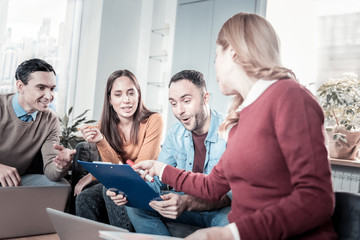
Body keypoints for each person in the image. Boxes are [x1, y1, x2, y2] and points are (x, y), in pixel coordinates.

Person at [134, 13, 337, 240]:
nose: (215, 65)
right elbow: (212, 186)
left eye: (216, 56)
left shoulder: (290, 97)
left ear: (233, 53)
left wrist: (229, 234)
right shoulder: (241, 119)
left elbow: (316, 199)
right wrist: (159, 168)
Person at [115, 70, 231, 236]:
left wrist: (188, 202)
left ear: (205, 98)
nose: (180, 111)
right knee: (136, 207)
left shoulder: (230, 131)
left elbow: (231, 194)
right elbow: (156, 179)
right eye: (174, 104)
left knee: (232, 222)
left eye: (186, 101)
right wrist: (128, 190)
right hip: (185, 203)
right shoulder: (176, 132)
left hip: (219, 209)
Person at [74, 69, 163, 231]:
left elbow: (138, 170)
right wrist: (68, 153)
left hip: (146, 181)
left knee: (114, 190)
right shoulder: (105, 125)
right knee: (85, 198)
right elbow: (81, 135)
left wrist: (94, 173)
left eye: (131, 93)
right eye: (118, 94)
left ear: (138, 95)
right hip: (122, 179)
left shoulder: (153, 120)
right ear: (109, 99)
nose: (126, 100)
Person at [0, 58, 76, 187]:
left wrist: (61, 165)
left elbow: (51, 171)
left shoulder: (50, 119)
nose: (49, 96)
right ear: (20, 86)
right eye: (41, 88)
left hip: (15, 181)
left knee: (60, 185)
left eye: (52, 89)